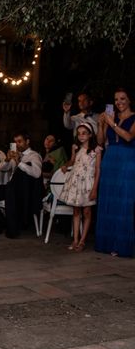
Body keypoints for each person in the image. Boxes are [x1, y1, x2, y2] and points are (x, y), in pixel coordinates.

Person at [0, 131, 43, 239]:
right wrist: (7, 159)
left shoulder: (34, 156)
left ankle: (12, 229)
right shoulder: (15, 154)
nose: (17, 144)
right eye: (15, 142)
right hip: (10, 187)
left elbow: (37, 173)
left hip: (23, 192)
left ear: (27, 142)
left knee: (10, 190)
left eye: (20, 141)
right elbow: (2, 169)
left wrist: (19, 162)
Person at [95, 88, 135, 257]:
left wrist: (112, 123)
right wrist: (101, 124)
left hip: (127, 159)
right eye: (116, 99)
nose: (119, 102)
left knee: (124, 201)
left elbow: (128, 137)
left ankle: (122, 245)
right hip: (110, 159)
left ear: (129, 100)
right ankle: (107, 242)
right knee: (108, 200)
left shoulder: (134, 118)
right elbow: (101, 141)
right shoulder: (112, 117)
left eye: (122, 99)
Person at [60, 123, 101, 252]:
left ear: (90, 135)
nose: (81, 136)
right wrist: (66, 165)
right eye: (79, 133)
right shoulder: (76, 148)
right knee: (76, 211)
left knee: (87, 212)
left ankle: (83, 240)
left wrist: (95, 188)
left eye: (84, 133)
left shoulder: (97, 150)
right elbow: (72, 161)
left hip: (88, 183)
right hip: (76, 182)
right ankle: (75, 239)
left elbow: (97, 170)